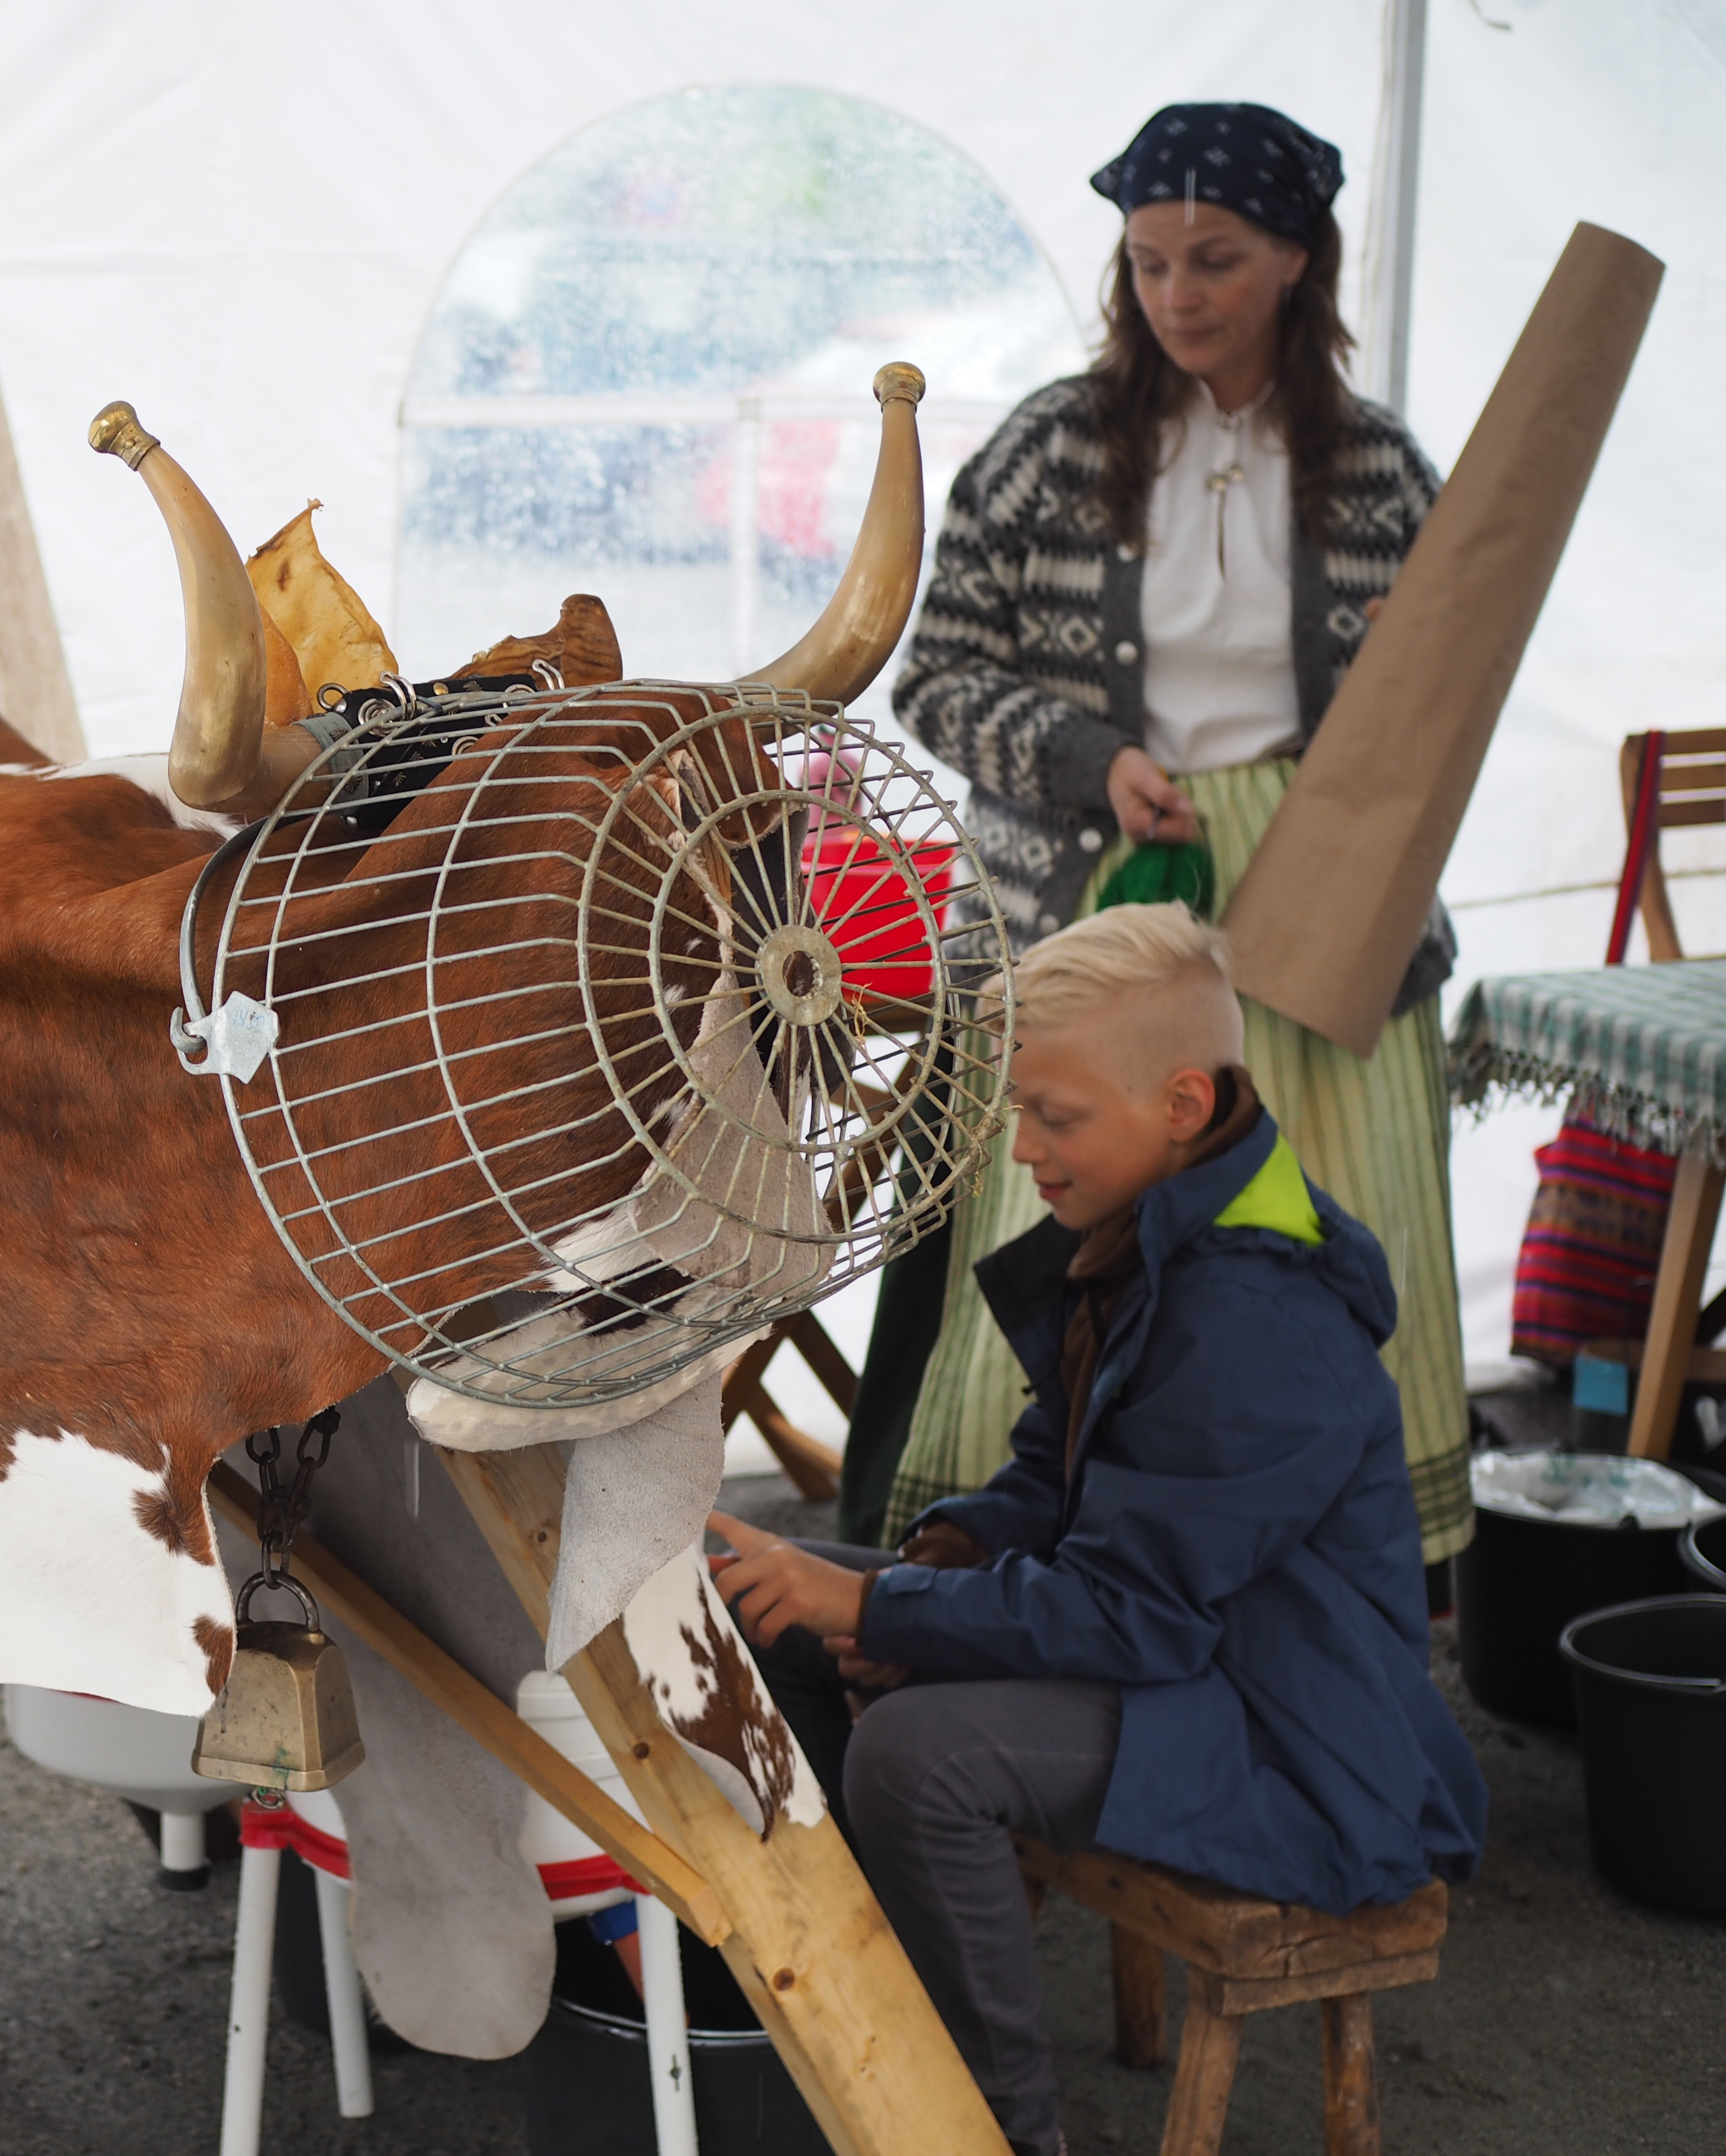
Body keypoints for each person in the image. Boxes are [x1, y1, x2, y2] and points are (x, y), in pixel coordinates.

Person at [710, 904, 1486, 2156]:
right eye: (1020, 1114)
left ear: (1182, 1104)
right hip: (1198, 1670)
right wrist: (933, 1573)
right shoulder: (1151, 1240)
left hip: (1304, 1746)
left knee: (915, 1756)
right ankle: (865, 2009)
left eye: (1055, 1119)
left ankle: (982, 2133)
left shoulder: (1258, 1321)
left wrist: (880, 1609)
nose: (1023, 1151)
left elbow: (1131, 1607)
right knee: (752, 1607)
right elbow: (1052, 1491)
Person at [837, 102, 1473, 1578]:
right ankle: (1047, 1535)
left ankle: (1325, 1545)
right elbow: (936, 671)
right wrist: (1089, 758)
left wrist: (1403, 672)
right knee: (1088, 1206)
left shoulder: (1377, 468)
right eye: (1149, 263)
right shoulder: (1055, 447)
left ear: (1298, 265)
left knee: (1321, 1216)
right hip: (1101, 883)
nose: (1178, 297)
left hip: (1326, 886)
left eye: (1217, 261)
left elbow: (1454, 687)